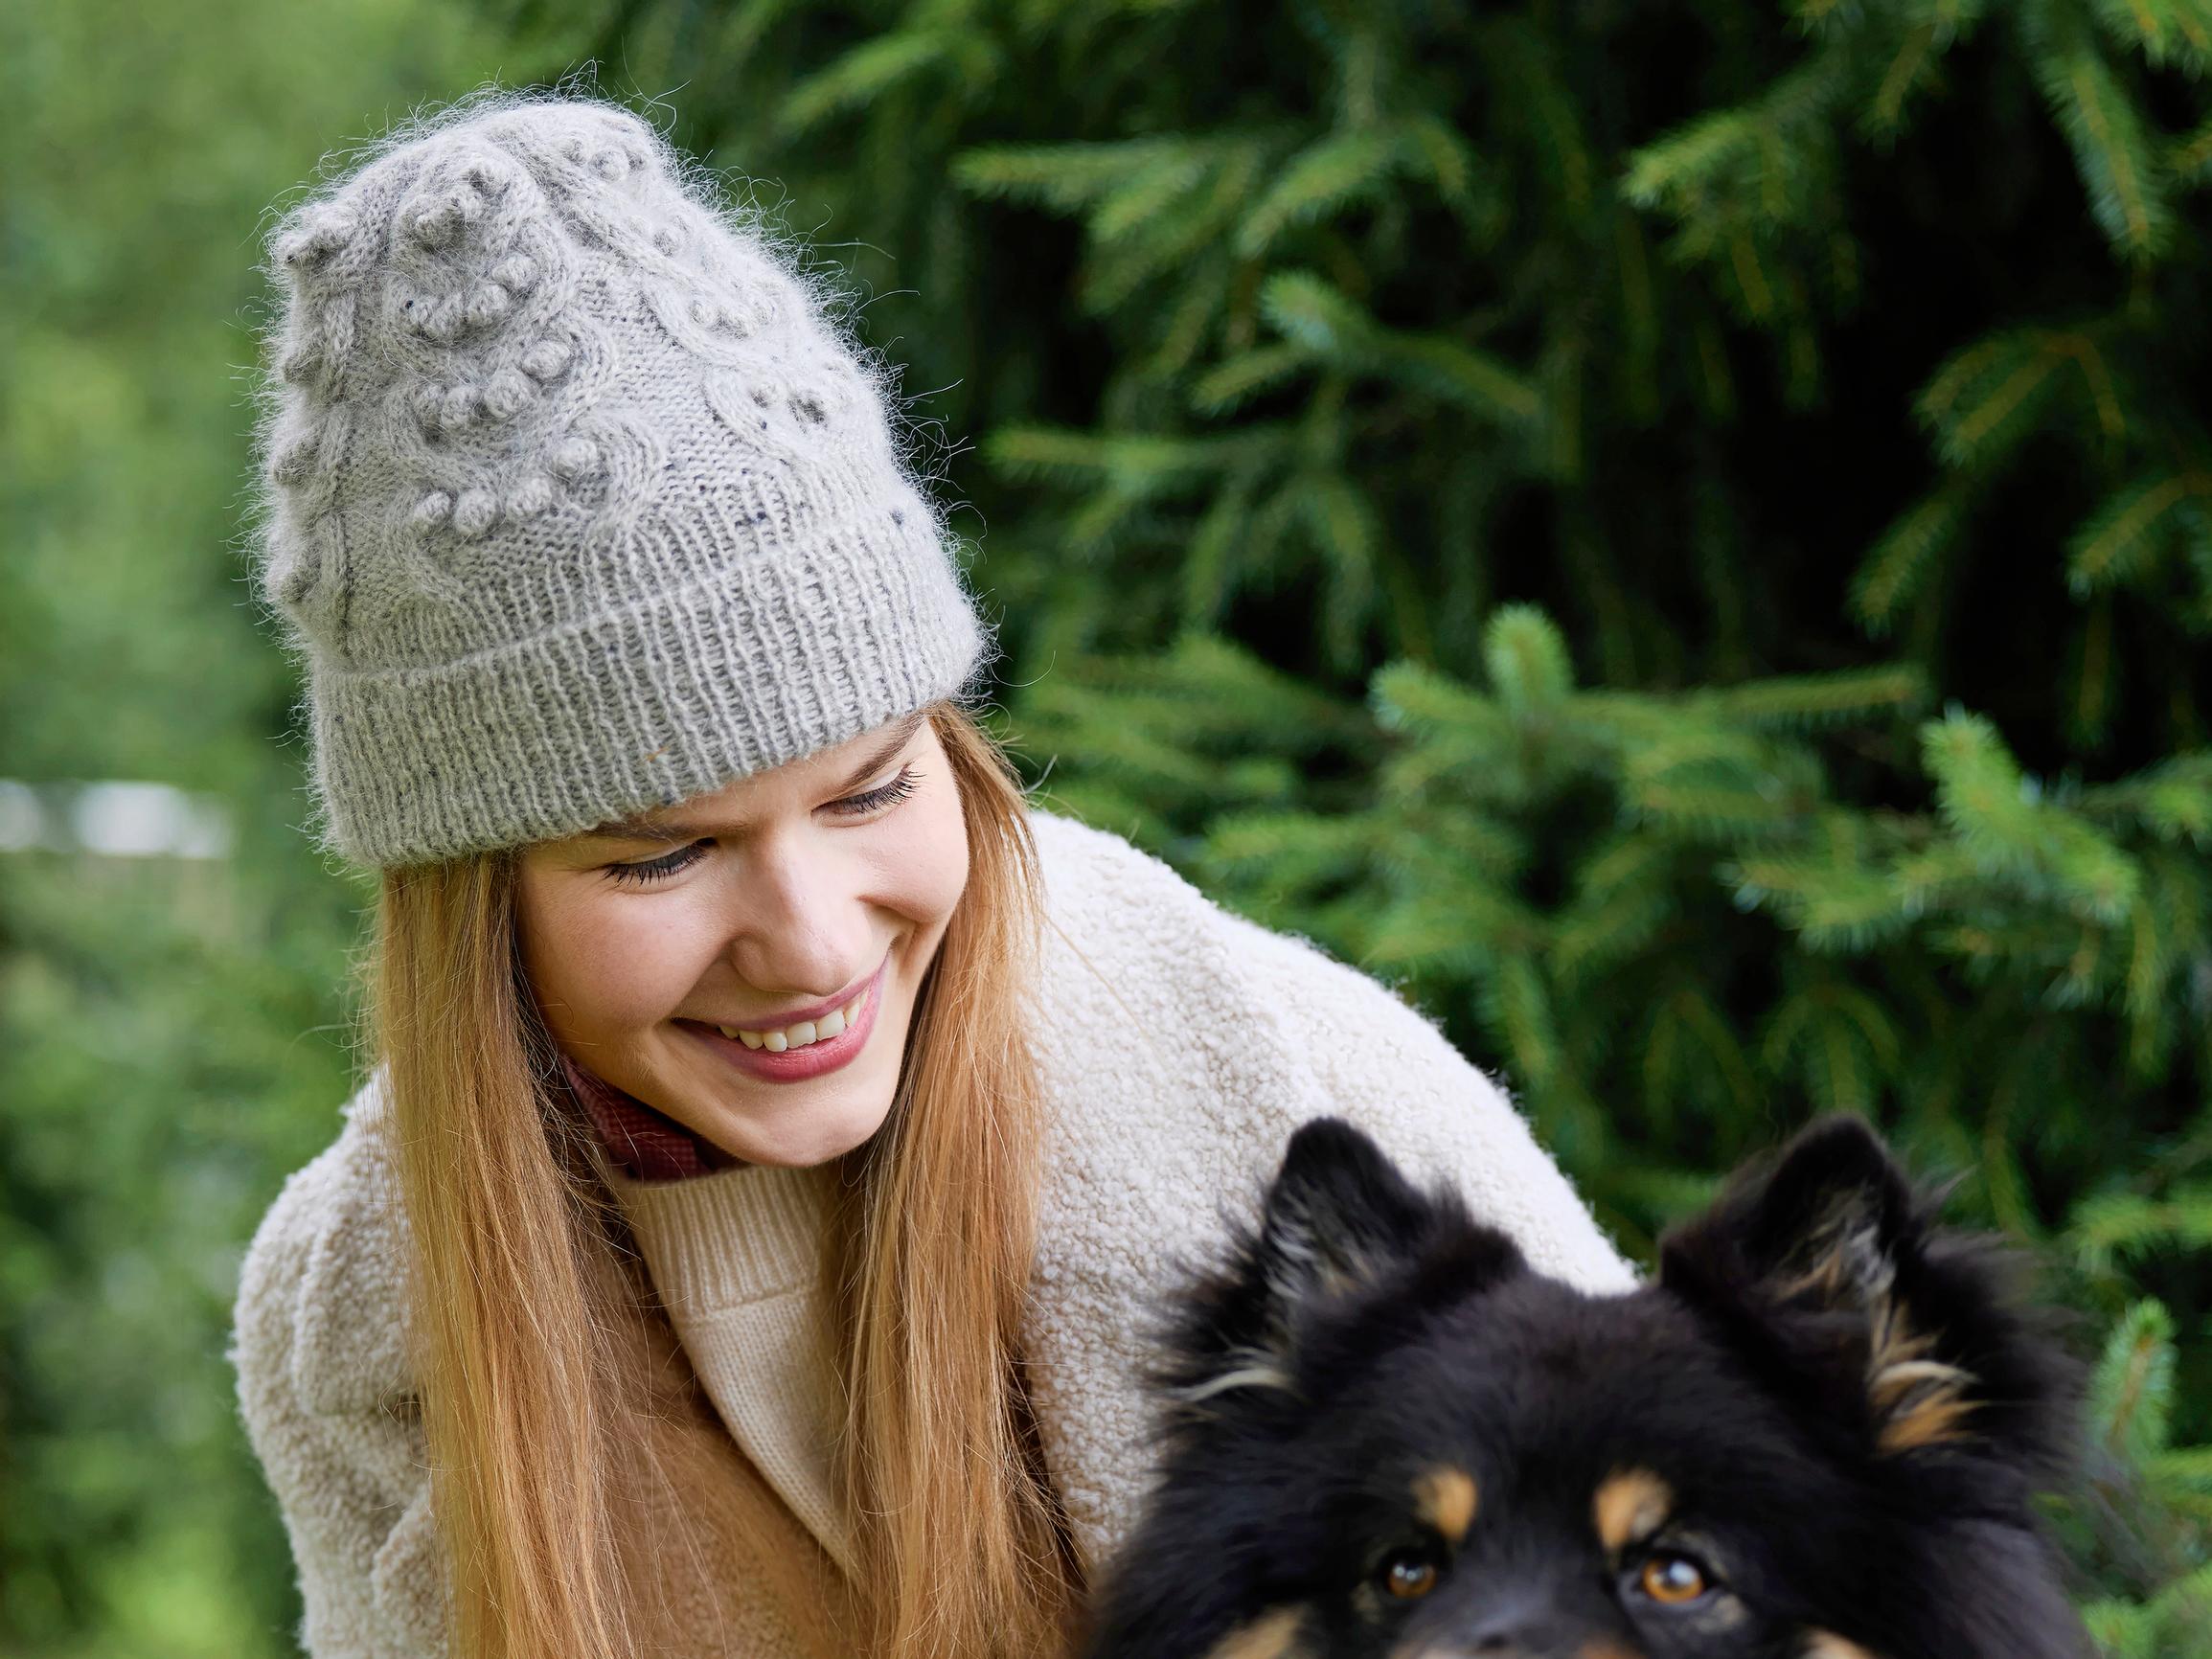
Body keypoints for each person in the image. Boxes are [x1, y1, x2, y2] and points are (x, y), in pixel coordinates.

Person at [227, 87, 1633, 1659]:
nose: (811, 943)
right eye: (663, 856)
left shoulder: (1285, 1100)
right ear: (474, 901)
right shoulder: (358, 1322)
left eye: (870, 789)